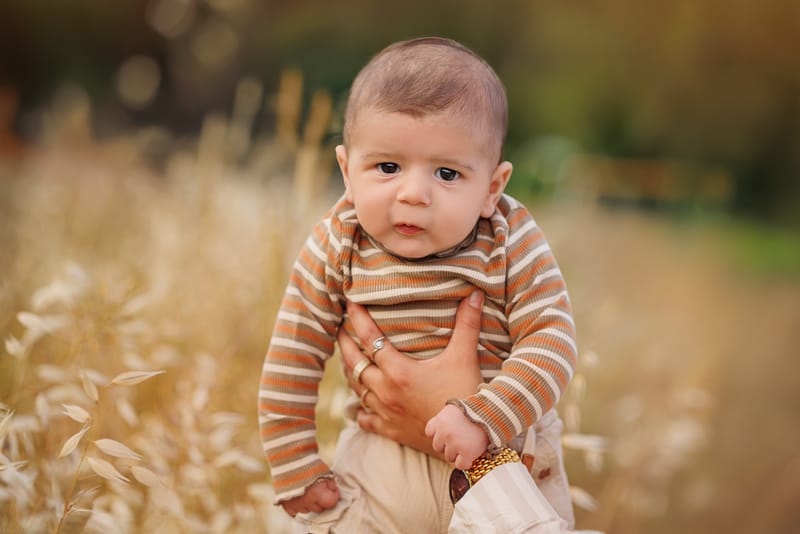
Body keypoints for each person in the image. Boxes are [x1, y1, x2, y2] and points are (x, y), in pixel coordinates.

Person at [258, 36, 577, 532]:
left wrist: (484, 416)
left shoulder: (509, 238)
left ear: (492, 188)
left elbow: (552, 340)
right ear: (347, 171)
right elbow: (292, 352)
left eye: (447, 173)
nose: (414, 193)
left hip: (507, 454)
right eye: (388, 167)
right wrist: (293, 460)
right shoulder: (336, 243)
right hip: (381, 465)